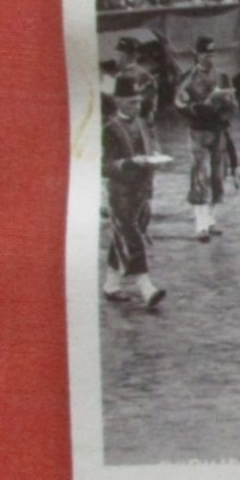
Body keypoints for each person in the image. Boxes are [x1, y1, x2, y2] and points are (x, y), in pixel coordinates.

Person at [101, 75, 166, 309]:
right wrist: (129, 163)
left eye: (139, 101)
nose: (137, 106)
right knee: (133, 238)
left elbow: (151, 147)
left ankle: (111, 284)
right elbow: (104, 165)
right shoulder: (110, 129)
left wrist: (156, 158)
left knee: (123, 237)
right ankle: (146, 288)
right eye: (131, 102)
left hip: (142, 192)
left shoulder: (142, 123)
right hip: (121, 194)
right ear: (118, 101)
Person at [175, 35, 237, 242]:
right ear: (197, 55)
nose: (210, 57)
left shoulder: (223, 76)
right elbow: (181, 106)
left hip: (218, 130)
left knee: (218, 175)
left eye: (212, 53)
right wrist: (207, 103)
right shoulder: (187, 79)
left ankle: (210, 219)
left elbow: (235, 105)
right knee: (200, 175)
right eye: (205, 53)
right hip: (198, 131)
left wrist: (227, 103)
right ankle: (200, 223)